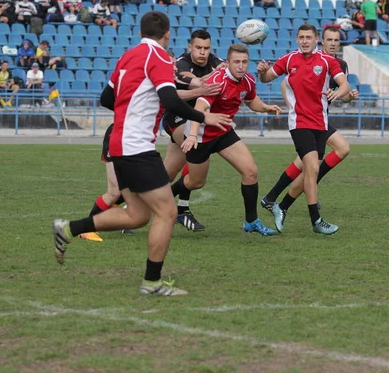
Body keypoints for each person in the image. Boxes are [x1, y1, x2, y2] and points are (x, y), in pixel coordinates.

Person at [52, 11, 232, 297]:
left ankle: (68, 229)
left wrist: (132, 111)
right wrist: (204, 118)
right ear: (167, 35)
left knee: (136, 215)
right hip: (136, 145)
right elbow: (169, 97)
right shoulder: (159, 56)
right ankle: (152, 282)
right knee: (167, 211)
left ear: (140, 31)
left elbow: (106, 99)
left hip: (120, 142)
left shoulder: (128, 56)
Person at [79, 51, 223, 243]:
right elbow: (173, 97)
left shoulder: (168, 78)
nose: (174, 67)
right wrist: (201, 109)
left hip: (136, 142)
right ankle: (85, 228)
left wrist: (214, 76)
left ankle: (115, 214)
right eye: (171, 63)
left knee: (135, 190)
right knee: (114, 192)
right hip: (121, 137)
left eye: (174, 63)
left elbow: (184, 88)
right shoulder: (155, 79)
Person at [171, 45, 282, 236]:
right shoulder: (218, 81)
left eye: (244, 62)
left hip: (223, 132)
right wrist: (191, 136)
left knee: (250, 172)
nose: (240, 66)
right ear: (228, 63)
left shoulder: (247, 80)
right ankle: (165, 198)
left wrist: (266, 108)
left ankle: (251, 221)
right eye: (236, 62)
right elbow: (199, 109)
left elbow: (251, 100)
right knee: (195, 182)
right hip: (200, 135)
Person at [257, 24, 350, 235]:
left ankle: (280, 204)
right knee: (313, 169)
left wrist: (340, 92)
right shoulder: (289, 59)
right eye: (301, 37)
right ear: (297, 39)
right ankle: (316, 221)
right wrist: (262, 73)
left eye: (309, 37)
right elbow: (268, 78)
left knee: (310, 169)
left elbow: (344, 84)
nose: (305, 41)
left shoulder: (328, 61)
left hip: (320, 123)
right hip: (299, 122)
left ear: (316, 39)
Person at [172, 29, 227, 231]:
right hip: (176, 118)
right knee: (197, 150)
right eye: (198, 48)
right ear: (190, 47)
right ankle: (182, 210)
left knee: (166, 174)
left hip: (197, 120)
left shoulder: (214, 60)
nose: (203, 52)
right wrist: (219, 71)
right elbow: (198, 83)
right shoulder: (181, 64)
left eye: (206, 48)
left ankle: (129, 206)